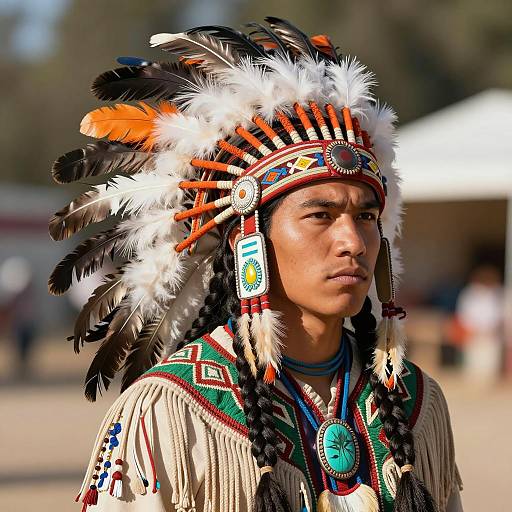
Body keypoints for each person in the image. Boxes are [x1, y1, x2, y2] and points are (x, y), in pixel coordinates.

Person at [49, 18, 463, 512]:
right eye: (320, 216)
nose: (352, 241)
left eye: (367, 216)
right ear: (251, 240)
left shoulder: (416, 404)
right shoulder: (173, 410)